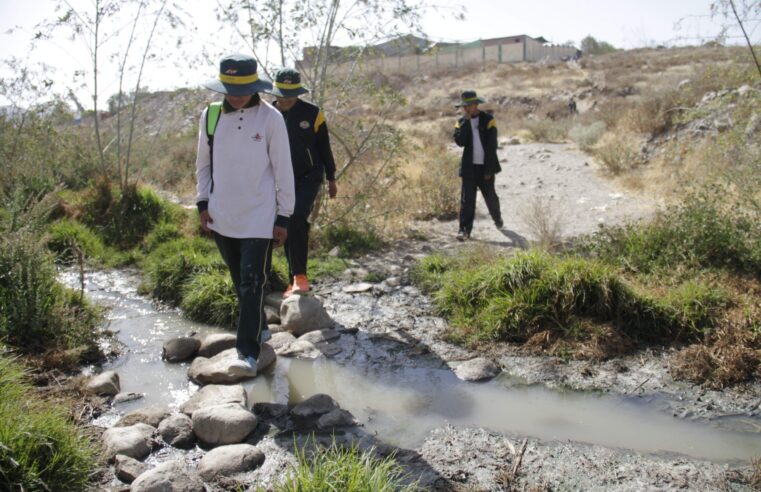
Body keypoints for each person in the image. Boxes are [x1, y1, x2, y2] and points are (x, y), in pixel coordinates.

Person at [195, 53, 295, 374]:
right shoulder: (210, 116)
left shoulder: (270, 119)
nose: (237, 96)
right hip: (222, 215)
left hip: (259, 217)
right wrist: (202, 202)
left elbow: (283, 171)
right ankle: (260, 326)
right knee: (241, 282)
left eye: (243, 89)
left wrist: (284, 216)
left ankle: (247, 352)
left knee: (253, 282)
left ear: (255, 86)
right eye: (230, 89)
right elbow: (203, 164)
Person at [268, 68, 337, 297]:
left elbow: (324, 147)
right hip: (275, 179)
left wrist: (332, 177)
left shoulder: (313, 114)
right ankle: (273, 277)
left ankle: (299, 277)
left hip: (308, 177)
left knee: (296, 217)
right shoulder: (266, 113)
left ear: (298, 93)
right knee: (278, 223)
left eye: (290, 94)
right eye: (281, 93)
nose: (285, 99)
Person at [453, 90, 503, 241]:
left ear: (476, 104)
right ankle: (464, 231)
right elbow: (460, 142)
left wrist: (489, 169)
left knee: (490, 197)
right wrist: (467, 122)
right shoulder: (461, 122)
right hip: (469, 168)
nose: (468, 108)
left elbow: (492, 146)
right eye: (465, 106)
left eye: (471, 105)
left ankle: (497, 218)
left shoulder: (489, 120)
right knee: (467, 200)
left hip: (485, 167)